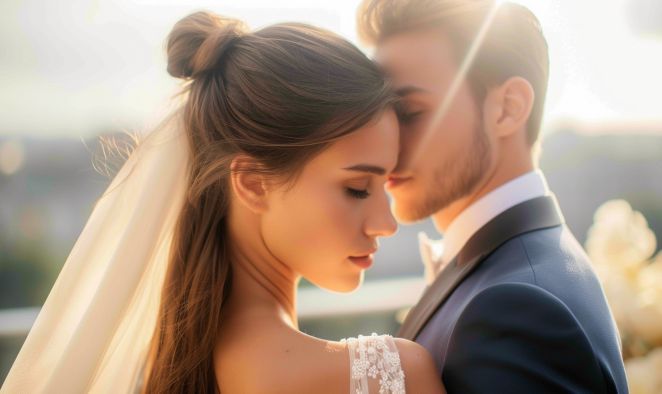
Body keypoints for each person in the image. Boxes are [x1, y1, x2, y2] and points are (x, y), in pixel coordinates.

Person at [2, 11, 445, 394]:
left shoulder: (171, 364)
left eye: (385, 184)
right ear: (252, 183)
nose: (386, 224)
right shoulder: (390, 375)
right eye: (357, 189)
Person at [357, 0, 629, 392]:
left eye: (409, 112)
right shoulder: (528, 270)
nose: (384, 145)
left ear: (508, 108)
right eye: (378, 115)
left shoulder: (517, 307)